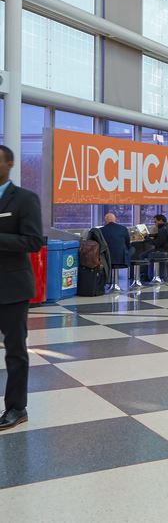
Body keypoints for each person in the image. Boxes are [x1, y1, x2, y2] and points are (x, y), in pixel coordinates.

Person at [0, 145, 44, 431]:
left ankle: (17, 408)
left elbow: (33, 241)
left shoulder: (25, 199)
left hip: (12, 288)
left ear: (10, 164)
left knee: (15, 350)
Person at [142, 214, 168, 280]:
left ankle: (145, 276)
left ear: (160, 220)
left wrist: (147, 239)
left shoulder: (163, 229)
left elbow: (157, 243)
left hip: (163, 250)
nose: (155, 224)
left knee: (142, 255)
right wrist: (150, 235)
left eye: (155, 222)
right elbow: (161, 236)